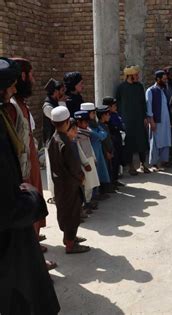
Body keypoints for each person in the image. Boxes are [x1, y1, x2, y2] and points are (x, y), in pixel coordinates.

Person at [0, 56, 60, 315]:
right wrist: (29, 197)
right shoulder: (7, 112)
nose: (14, 89)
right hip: (10, 215)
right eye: (10, 85)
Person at [47, 106, 90, 254]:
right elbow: (73, 166)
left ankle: (69, 238)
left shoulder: (53, 139)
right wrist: (81, 177)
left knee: (65, 211)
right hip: (71, 184)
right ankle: (71, 245)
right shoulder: (66, 143)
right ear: (66, 122)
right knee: (72, 213)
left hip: (60, 184)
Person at [116, 65, 150, 175]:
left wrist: (145, 117)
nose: (137, 76)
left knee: (142, 142)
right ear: (129, 76)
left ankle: (143, 164)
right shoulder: (121, 88)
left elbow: (143, 103)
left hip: (139, 119)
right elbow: (118, 104)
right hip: (127, 120)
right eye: (135, 75)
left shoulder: (139, 87)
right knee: (129, 143)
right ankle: (130, 166)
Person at [146, 70, 172, 171]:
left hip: (165, 121)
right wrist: (151, 121)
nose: (165, 81)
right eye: (164, 79)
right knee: (155, 142)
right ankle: (154, 163)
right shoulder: (151, 91)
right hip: (156, 121)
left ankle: (163, 161)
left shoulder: (164, 90)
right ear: (158, 79)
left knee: (165, 140)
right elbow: (149, 107)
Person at [75, 110, 100, 213]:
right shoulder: (77, 135)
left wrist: (94, 158)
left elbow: (90, 146)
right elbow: (79, 151)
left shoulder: (86, 133)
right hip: (84, 163)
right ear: (79, 123)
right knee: (86, 185)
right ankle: (84, 204)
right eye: (84, 122)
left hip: (90, 159)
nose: (86, 124)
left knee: (91, 184)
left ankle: (88, 202)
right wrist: (85, 163)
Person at [104, 97, 125, 188]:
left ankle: (115, 180)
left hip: (118, 139)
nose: (116, 107)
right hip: (112, 141)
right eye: (114, 105)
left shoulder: (115, 114)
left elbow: (121, 125)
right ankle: (111, 182)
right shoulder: (107, 117)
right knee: (113, 162)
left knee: (117, 160)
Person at [42, 78, 66, 146]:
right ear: (56, 92)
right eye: (62, 91)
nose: (63, 93)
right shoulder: (48, 107)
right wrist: (62, 102)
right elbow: (62, 119)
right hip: (51, 143)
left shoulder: (56, 103)